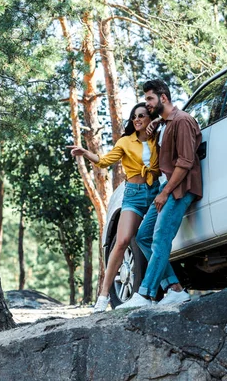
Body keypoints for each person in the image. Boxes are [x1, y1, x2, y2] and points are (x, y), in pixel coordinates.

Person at [67, 102, 161, 313]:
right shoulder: (126, 142)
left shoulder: (158, 138)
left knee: (155, 240)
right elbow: (103, 161)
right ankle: (102, 297)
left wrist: (157, 121)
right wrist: (85, 153)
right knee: (122, 241)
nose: (137, 119)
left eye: (142, 116)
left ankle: (157, 290)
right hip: (134, 195)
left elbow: (170, 118)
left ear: (149, 118)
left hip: (155, 191)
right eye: (134, 116)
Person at [117, 79, 202, 309]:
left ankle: (144, 294)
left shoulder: (182, 121)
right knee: (143, 236)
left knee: (161, 238)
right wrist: (154, 126)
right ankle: (174, 289)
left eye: (150, 99)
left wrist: (164, 192)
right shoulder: (164, 124)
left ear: (163, 98)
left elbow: (185, 163)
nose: (147, 103)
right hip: (168, 190)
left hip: (179, 190)